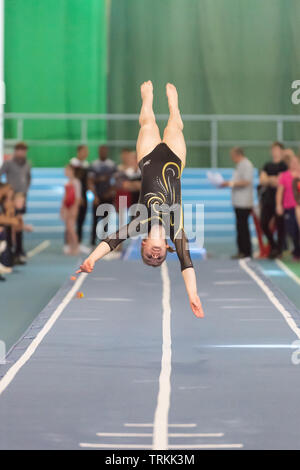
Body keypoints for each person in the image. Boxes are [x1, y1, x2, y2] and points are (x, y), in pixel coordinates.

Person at [76, 81, 204, 318]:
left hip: (147, 159)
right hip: (175, 160)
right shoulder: (176, 231)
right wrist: (193, 295)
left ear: (143, 245)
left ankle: (147, 98)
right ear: (167, 248)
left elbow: (113, 240)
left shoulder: (141, 223)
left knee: (148, 123)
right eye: (159, 258)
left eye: (149, 257)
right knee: (175, 124)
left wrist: (92, 258)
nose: (155, 256)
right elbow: (186, 263)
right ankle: (174, 106)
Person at [0, 142, 31, 263]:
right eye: (19, 150)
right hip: (10, 197)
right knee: (12, 224)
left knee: (18, 222)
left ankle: (18, 250)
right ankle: (10, 252)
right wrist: (6, 191)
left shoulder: (27, 164)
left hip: (21, 196)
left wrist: (25, 190)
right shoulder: (8, 163)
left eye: (23, 150)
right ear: (15, 151)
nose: (21, 153)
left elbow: (28, 177)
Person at [222, 147, 254, 259]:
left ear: (237, 154)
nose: (232, 158)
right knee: (240, 227)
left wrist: (230, 183)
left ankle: (246, 251)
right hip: (239, 202)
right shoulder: (240, 165)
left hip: (244, 202)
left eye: (232, 155)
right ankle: (242, 250)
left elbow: (246, 181)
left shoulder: (246, 165)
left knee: (243, 227)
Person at [259, 142, 287, 258]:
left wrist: (269, 179)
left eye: (277, 149)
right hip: (268, 199)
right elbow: (262, 181)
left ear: (281, 151)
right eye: (273, 149)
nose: (274, 151)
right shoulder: (267, 165)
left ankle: (279, 250)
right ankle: (273, 246)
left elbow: (281, 182)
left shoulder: (284, 165)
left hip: (281, 199)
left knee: (280, 225)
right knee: (263, 223)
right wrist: (273, 179)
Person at [89, 146, 117, 246]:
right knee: (95, 220)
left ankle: (103, 243)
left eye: (105, 150)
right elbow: (90, 181)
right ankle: (92, 242)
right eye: (101, 151)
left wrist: (111, 192)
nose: (103, 152)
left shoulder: (112, 165)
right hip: (98, 197)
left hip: (108, 197)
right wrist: (95, 196)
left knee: (105, 221)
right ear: (98, 152)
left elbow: (115, 181)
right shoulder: (94, 165)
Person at [276, 150, 300, 260]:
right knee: (292, 229)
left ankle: (297, 252)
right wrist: (279, 205)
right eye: (292, 162)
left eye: (296, 162)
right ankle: (296, 250)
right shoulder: (285, 176)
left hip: (298, 207)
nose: (294, 164)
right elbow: (280, 192)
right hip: (289, 206)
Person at [70, 145, 90, 252]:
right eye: (84, 151)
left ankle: (78, 242)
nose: (86, 153)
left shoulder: (85, 165)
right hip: (75, 195)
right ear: (79, 152)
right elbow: (74, 180)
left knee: (81, 219)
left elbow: (87, 181)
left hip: (83, 195)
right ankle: (71, 243)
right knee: (72, 220)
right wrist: (78, 196)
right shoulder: (73, 164)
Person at [60, 165, 81, 255]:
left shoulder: (76, 182)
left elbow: (78, 197)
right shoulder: (67, 182)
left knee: (71, 228)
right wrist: (63, 208)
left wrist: (75, 208)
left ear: (72, 171)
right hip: (67, 207)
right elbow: (65, 197)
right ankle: (70, 246)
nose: (65, 172)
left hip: (73, 206)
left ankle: (76, 246)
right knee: (68, 228)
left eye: (67, 170)